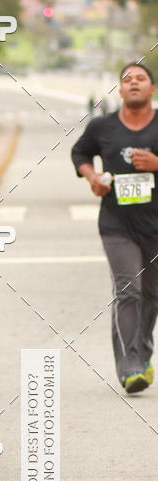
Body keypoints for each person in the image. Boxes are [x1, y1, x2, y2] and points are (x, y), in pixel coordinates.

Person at [71, 62, 158, 394]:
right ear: (120, 91)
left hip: (155, 225)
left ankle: (143, 352)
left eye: (141, 79)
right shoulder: (102, 127)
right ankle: (130, 366)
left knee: (152, 296)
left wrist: (156, 163)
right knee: (128, 291)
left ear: (151, 89)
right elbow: (79, 152)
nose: (133, 83)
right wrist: (92, 177)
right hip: (116, 224)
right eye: (127, 80)